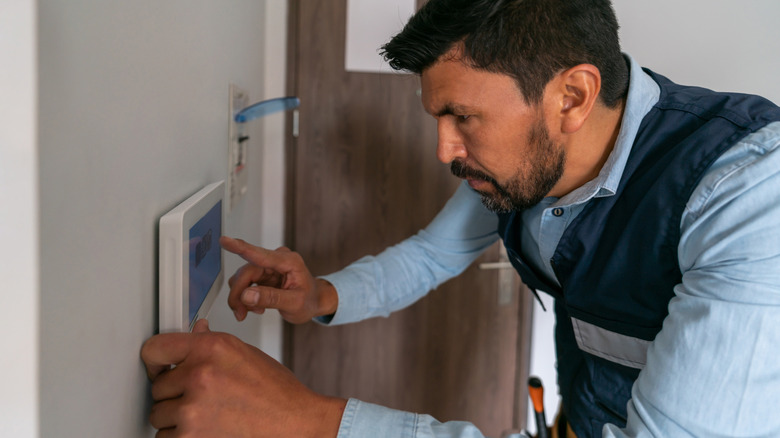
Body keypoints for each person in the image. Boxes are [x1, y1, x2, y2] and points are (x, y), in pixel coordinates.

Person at [141, 0, 780, 436]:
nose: (445, 149)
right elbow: (432, 254)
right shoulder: (525, 160)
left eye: (463, 117)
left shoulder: (750, 192)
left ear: (572, 96)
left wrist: (310, 420)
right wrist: (321, 297)